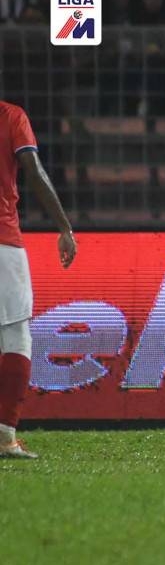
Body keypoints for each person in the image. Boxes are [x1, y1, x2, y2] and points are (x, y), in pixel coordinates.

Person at [0, 99, 77, 458]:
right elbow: (33, 169)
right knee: (15, 335)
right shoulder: (12, 116)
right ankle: (5, 436)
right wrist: (63, 226)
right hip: (2, 241)